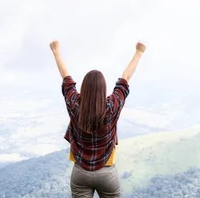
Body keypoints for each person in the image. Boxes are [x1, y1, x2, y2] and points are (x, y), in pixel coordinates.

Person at [49, 39, 146, 198]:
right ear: (104, 89)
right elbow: (125, 78)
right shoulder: (112, 107)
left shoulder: (74, 105)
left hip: (80, 173)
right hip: (107, 174)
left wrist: (56, 52)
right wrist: (139, 52)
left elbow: (66, 80)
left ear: (84, 88)